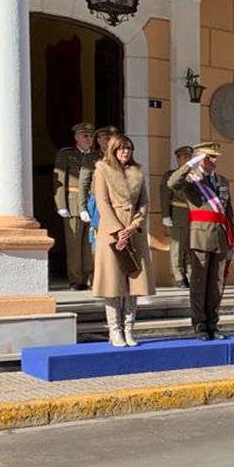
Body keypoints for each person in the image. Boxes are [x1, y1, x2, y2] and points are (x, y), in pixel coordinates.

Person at [91, 133, 155, 347]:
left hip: (134, 232)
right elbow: (103, 202)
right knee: (113, 283)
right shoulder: (102, 169)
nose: (125, 152)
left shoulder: (138, 172)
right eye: (121, 148)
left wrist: (135, 225)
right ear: (113, 150)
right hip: (112, 232)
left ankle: (129, 329)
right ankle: (115, 330)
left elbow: (144, 203)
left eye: (128, 148)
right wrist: (118, 230)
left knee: (134, 282)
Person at [167, 142, 234, 341]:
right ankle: (199, 324)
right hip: (200, 237)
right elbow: (172, 183)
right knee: (199, 284)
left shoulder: (223, 181)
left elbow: (229, 212)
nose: (213, 161)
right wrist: (191, 164)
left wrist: (233, 241)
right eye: (208, 157)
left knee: (217, 285)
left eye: (215, 157)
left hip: (221, 237)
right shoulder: (191, 179)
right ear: (198, 158)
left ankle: (213, 324)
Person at [53, 122, 99, 290]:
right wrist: (61, 204)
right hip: (72, 202)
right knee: (74, 243)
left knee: (90, 243)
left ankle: (89, 276)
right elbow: (59, 178)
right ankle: (76, 278)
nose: (89, 139)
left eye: (91, 136)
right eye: (85, 136)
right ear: (76, 137)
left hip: (92, 202)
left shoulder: (97, 156)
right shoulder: (66, 154)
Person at [160, 146, 195, 288]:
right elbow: (164, 195)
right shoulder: (170, 175)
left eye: (189, 157)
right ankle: (179, 276)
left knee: (190, 246)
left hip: (192, 215)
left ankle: (190, 274)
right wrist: (166, 215)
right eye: (184, 157)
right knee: (178, 246)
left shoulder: (194, 175)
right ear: (178, 159)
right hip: (178, 213)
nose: (187, 160)